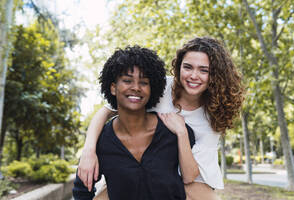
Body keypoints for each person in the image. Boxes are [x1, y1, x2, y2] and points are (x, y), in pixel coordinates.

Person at [78, 37, 244, 199]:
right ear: (179, 68)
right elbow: (107, 111)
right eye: (188, 67)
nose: (194, 76)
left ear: (215, 75)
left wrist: (181, 132)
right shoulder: (157, 87)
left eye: (204, 70)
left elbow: (189, 176)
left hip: (192, 180)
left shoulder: (213, 116)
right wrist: (89, 150)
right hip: (145, 170)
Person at [73, 46, 195, 200]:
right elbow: (81, 192)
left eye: (144, 82)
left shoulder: (171, 132)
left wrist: (181, 133)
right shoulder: (101, 142)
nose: (136, 87)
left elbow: (190, 177)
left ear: (152, 89)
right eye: (127, 80)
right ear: (113, 88)